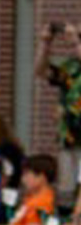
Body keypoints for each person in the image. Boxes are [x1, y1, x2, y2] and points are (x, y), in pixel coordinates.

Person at [34, 21, 81, 207]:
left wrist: (75, 39)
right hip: (69, 137)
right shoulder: (70, 68)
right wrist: (45, 44)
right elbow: (41, 70)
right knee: (66, 192)